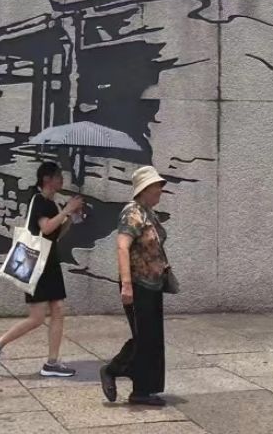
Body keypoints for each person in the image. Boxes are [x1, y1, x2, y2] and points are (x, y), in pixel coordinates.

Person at [0, 162, 84, 377]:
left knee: (58, 309)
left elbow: (54, 235)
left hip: (49, 262)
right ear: (47, 179)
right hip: (39, 264)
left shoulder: (51, 204)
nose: (62, 180)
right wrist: (66, 209)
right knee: (37, 317)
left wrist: (70, 218)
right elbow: (45, 228)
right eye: (58, 176)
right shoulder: (39, 200)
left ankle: (52, 362)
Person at [100, 165, 169, 407]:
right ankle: (112, 369)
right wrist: (127, 285)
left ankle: (142, 390)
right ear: (145, 189)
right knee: (143, 338)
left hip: (153, 285)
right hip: (138, 284)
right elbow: (122, 247)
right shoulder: (132, 212)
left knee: (152, 339)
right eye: (157, 186)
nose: (160, 190)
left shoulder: (148, 212)